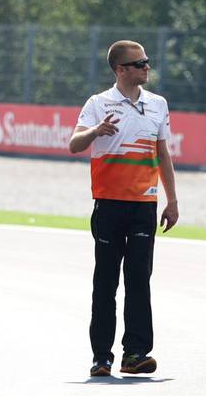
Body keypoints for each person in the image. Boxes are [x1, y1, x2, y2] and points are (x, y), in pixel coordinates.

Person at [69, 40, 179, 378]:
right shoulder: (98, 103)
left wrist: (172, 201)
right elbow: (74, 144)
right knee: (105, 282)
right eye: (139, 63)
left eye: (147, 61)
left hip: (144, 205)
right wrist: (95, 131)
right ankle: (101, 357)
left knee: (139, 280)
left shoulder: (158, 104)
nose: (147, 67)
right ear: (120, 70)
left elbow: (163, 154)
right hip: (108, 204)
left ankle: (135, 354)